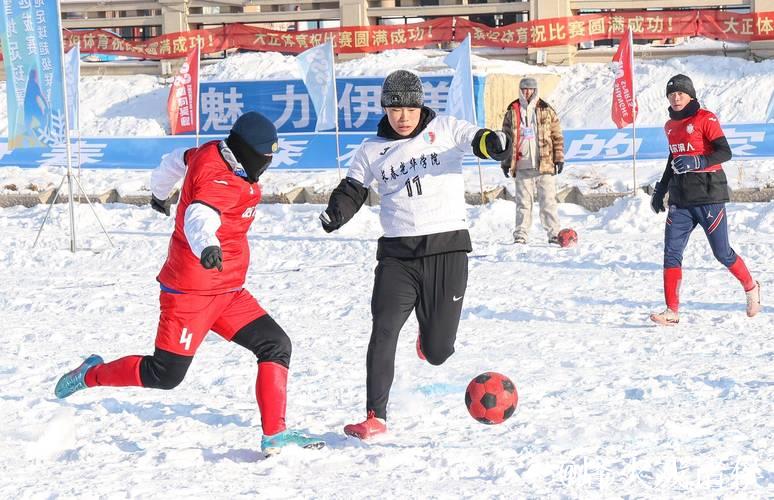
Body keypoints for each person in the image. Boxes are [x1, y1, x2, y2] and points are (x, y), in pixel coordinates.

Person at [54, 111, 324, 457]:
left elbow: (172, 161)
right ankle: (91, 373)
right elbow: (200, 216)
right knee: (165, 374)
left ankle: (275, 435)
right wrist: (206, 246)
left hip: (228, 291)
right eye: (264, 158)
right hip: (190, 293)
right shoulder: (218, 181)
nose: (267, 165)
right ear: (247, 153)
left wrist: (159, 192)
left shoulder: (209, 152)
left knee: (275, 344)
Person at [319, 69, 511, 439]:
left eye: (409, 107)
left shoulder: (446, 128)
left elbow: (479, 139)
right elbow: (353, 188)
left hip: (447, 249)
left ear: (420, 104)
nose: (402, 116)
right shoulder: (371, 150)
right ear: (385, 109)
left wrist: (495, 143)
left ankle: (428, 339)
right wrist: (337, 213)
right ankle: (376, 415)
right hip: (397, 256)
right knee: (384, 330)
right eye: (394, 109)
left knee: (439, 351)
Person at [649, 74, 761, 325]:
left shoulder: (705, 118)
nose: (676, 97)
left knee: (722, 253)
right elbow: (672, 159)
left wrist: (698, 161)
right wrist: (661, 190)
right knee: (671, 254)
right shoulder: (669, 126)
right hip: (680, 199)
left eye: (680, 93)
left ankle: (751, 287)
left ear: (691, 95)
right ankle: (672, 311)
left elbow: (725, 152)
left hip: (709, 196)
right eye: (671, 94)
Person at [500, 77, 565, 245]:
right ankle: (521, 234)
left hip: (544, 163)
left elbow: (556, 135)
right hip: (522, 164)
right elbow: (506, 139)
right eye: (524, 89)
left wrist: (558, 158)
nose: (527, 92)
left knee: (548, 201)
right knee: (522, 202)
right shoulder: (512, 110)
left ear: (535, 90)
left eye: (530, 89)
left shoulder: (546, 109)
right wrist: (506, 162)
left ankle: (554, 233)